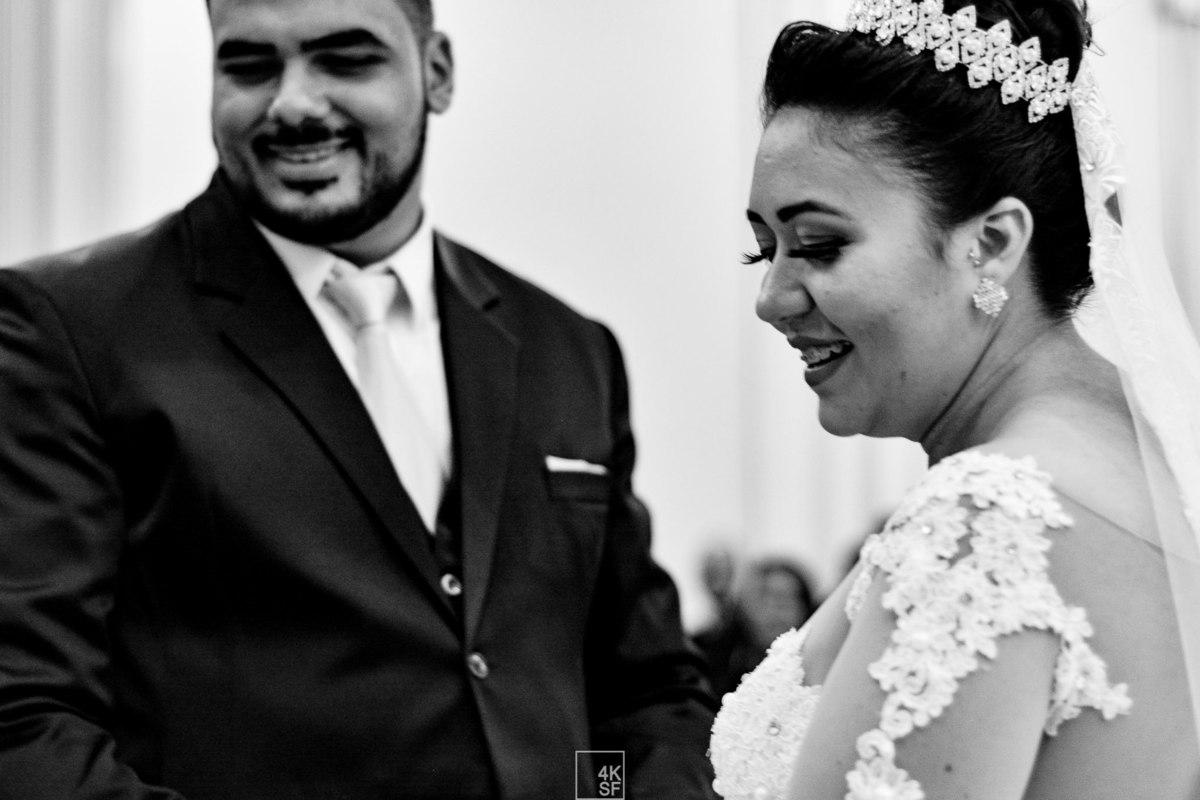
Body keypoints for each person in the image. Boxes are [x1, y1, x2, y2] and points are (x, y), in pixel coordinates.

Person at [0, 1, 719, 798]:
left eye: (345, 59)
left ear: (436, 73)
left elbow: (639, 692)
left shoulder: (566, 349)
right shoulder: (70, 329)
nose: (294, 103)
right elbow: (26, 717)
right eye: (249, 65)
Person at [709, 0, 1200, 798]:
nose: (772, 298)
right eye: (763, 250)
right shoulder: (1150, 463)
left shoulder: (989, 517)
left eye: (819, 246)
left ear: (993, 243)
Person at [693, 557, 817, 697]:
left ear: (804, 608)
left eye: (784, 599)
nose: (774, 610)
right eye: (766, 598)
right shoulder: (719, 656)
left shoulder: (816, 662)